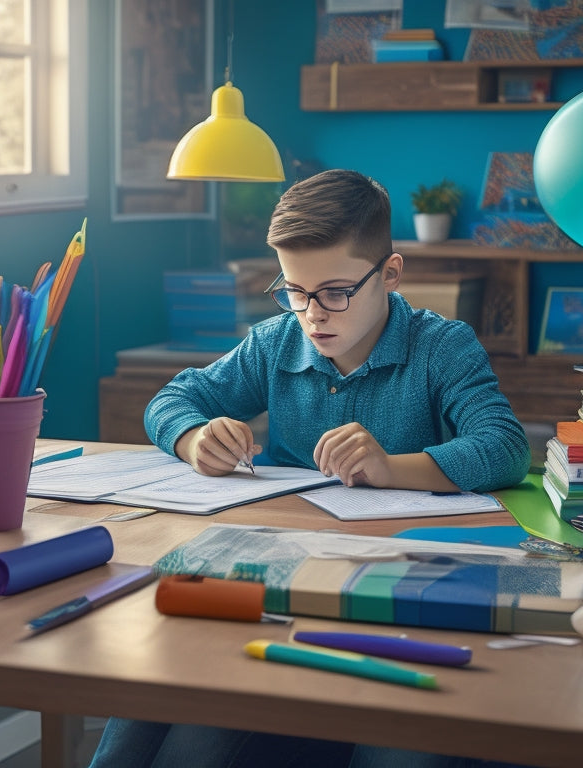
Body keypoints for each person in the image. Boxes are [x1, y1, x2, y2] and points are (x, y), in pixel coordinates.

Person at [88, 169, 530, 768]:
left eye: (336, 290)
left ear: (391, 274)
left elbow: (504, 447)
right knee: (148, 697)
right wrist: (196, 439)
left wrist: (390, 466)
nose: (313, 313)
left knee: (204, 745)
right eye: (294, 290)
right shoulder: (276, 342)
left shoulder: (441, 347)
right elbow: (169, 401)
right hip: (276, 575)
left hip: (391, 589)